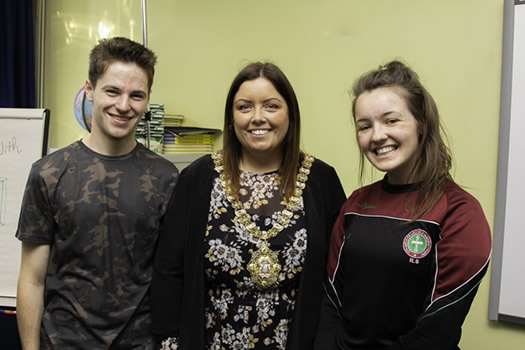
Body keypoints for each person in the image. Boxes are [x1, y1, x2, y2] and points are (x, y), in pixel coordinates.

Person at [151, 62, 346, 350]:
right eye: (244, 107)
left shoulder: (321, 180)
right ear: (231, 118)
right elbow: (169, 271)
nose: (257, 118)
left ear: (290, 114)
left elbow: (338, 276)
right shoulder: (199, 178)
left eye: (271, 106)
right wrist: (171, 342)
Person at [314, 60, 492, 350]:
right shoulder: (356, 204)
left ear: (420, 122)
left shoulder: (459, 212)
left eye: (391, 120)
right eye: (364, 126)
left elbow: (437, 330)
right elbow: (330, 300)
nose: (377, 135)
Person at [15, 37, 178, 349]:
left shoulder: (165, 178)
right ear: (89, 89)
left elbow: (171, 277)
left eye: (136, 95)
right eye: (112, 91)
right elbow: (32, 279)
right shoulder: (48, 174)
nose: (124, 105)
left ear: (148, 99)